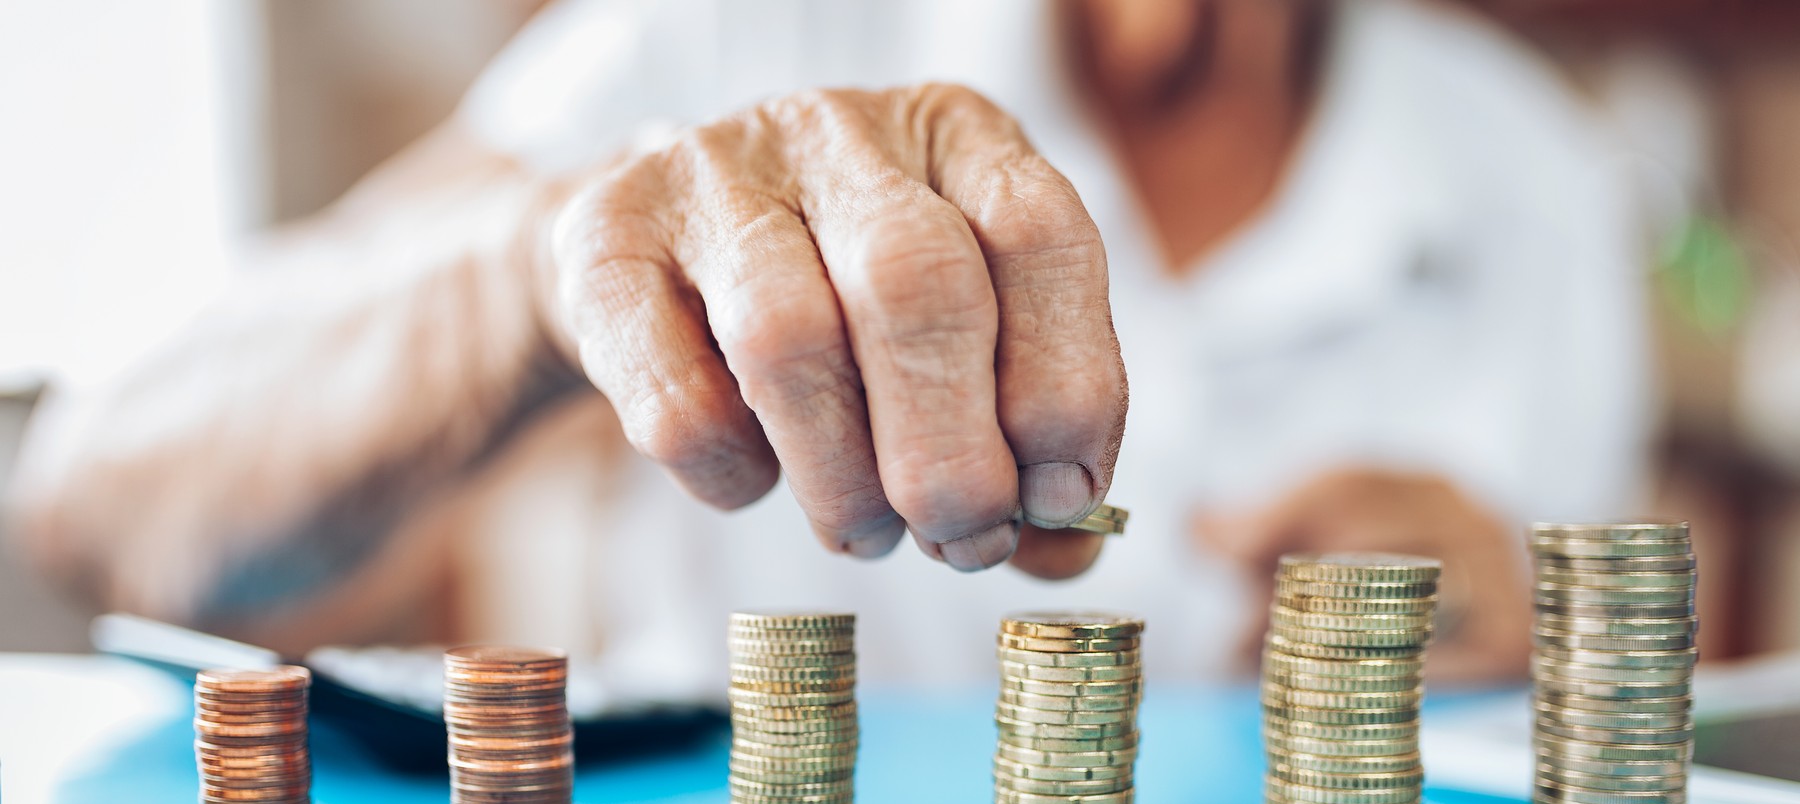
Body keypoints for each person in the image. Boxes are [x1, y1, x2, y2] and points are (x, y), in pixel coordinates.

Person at [8, 0, 1649, 695]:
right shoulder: (738, 32)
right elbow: (87, 499)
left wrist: (1514, 624)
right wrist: (541, 264)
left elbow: (1608, 664)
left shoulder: (1540, 170)